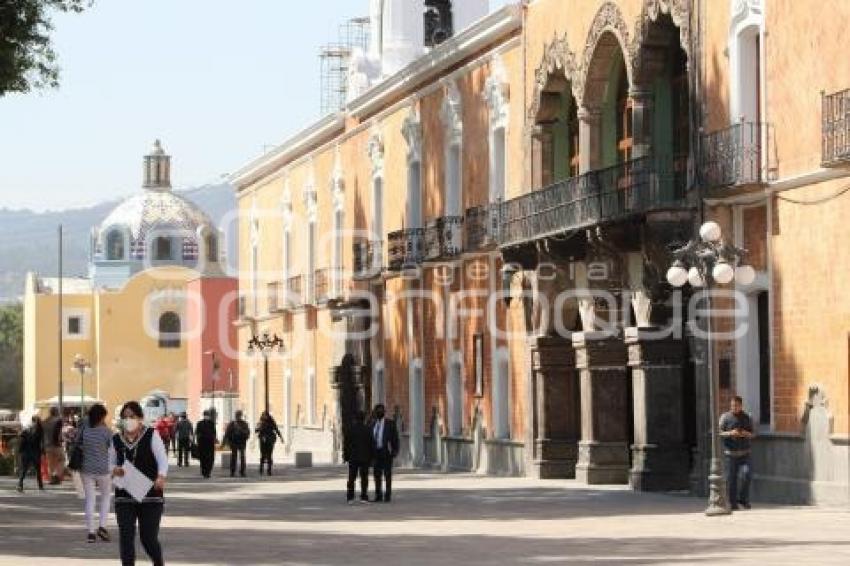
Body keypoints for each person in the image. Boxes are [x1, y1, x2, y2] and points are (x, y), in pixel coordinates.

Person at [110, 401, 168, 566]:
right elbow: (109, 463)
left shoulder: (151, 435)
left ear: (140, 418)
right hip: (124, 496)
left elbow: (162, 459)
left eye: (132, 416)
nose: (128, 420)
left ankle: (158, 562)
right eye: (125, 417)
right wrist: (114, 469)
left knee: (148, 538)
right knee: (126, 537)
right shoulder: (116, 439)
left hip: (150, 495)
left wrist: (161, 476)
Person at [78, 403, 113, 543]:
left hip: (86, 469)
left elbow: (78, 444)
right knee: (105, 497)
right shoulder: (106, 432)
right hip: (104, 469)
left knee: (90, 500)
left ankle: (91, 533)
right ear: (101, 417)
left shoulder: (85, 431)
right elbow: (113, 449)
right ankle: (102, 527)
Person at [719, 395, 755, 510]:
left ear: (741, 406)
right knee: (732, 479)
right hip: (731, 453)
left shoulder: (747, 417)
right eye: (732, 405)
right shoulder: (725, 417)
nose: (734, 407)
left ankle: (743, 499)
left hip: (745, 453)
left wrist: (745, 433)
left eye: (736, 406)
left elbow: (753, 434)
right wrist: (730, 433)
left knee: (747, 474)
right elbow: (719, 432)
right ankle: (733, 503)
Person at [370, 404, 399, 503]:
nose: (379, 412)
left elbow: (395, 438)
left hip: (386, 452)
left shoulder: (390, 424)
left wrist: (395, 451)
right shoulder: (372, 424)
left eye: (381, 411)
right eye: (377, 411)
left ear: (384, 412)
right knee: (377, 475)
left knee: (387, 475)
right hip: (375, 453)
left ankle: (387, 495)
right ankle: (378, 495)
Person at [343, 410, 373, 504]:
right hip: (364, 457)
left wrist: (346, 456)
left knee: (352, 477)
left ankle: (350, 497)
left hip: (353, 457)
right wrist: (371, 457)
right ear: (364, 419)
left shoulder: (350, 429)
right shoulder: (368, 429)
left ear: (355, 419)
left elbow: (346, 444)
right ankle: (364, 496)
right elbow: (371, 444)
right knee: (364, 478)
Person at [17, 415, 44, 492]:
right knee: (35, 470)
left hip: (28, 452)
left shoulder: (28, 430)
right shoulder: (39, 430)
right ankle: (40, 486)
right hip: (34, 452)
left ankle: (20, 485)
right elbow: (41, 442)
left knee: (25, 469)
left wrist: (20, 451)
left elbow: (22, 441)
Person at [223, 411, 250, 478]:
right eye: (237, 415)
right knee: (235, 457)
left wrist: (241, 431)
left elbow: (247, 433)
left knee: (240, 457)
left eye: (238, 415)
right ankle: (234, 472)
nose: (238, 417)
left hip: (240, 442)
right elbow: (227, 433)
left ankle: (240, 472)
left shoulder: (243, 424)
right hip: (235, 442)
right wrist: (224, 442)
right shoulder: (233, 424)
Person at [255, 411, 283, 476]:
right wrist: (260, 428)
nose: (265, 417)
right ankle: (261, 469)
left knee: (269, 455)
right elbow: (256, 430)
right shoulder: (260, 423)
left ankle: (269, 470)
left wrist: (281, 437)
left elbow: (276, 429)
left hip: (270, 440)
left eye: (266, 415)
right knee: (262, 455)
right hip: (263, 440)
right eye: (264, 415)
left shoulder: (271, 423)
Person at [43, 407, 64, 484]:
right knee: (62, 460)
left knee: (50, 463)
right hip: (56, 444)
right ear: (56, 412)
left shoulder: (44, 421)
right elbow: (58, 433)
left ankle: (52, 478)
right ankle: (57, 475)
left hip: (47, 445)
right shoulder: (58, 420)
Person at [195, 410, 217, 478]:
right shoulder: (200, 423)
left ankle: (208, 472)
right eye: (205, 415)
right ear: (204, 415)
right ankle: (204, 471)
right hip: (202, 443)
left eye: (207, 415)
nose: (206, 416)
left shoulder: (211, 423)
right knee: (203, 458)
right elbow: (197, 432)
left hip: (210, 443)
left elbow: (214, 433)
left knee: (210, 458)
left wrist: (214, 439)